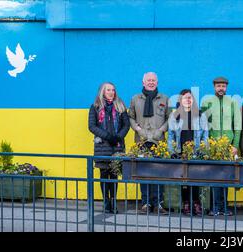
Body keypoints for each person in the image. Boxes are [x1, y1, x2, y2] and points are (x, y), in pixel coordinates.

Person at [128, 72, 170, 215]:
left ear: (157, 83)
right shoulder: (135, 99)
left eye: (153, 80)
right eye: (148, 80)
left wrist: (161, 130)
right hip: (142, 141)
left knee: (159, 173)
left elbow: (169, 118)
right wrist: (138, 129)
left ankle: (158, 203)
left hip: (159, 142)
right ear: (143, 82)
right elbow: (130, 118)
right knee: (143, 173)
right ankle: (145, 203)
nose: (151, 82)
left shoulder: (164, 98)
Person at [201, 76, 242, 216]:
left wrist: (235, 145)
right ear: (214, 87)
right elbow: (203, 124)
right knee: (214, 177)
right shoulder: (207, 101)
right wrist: (206, 144)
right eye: (218, 86)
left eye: (223, 86)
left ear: (226, 87)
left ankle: (224, 207)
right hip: (213, 145)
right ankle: (214, 207)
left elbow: (237, 125)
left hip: (228, 145)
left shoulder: (232, 102)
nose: (221, 88)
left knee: (226, 176)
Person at [88, 81, 130, 214]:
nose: (111, 92)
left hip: (117, 147)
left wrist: (118, 137)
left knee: (114, 175)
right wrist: (107, 136)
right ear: (102, 92)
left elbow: (126, 125)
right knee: (104, 175)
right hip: (102, 147)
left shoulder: (121, 106)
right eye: (108, 90)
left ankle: (114, 202)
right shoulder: (95, 107)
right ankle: (106, 202)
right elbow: (92, 126)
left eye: (113, 90)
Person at [167, 89, 209, 215]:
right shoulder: (174, 116)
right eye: (185, 98)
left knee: (195, 178)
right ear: (180, 100)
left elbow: (205, 135)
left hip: (196, 152)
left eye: (190, 97)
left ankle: (196, 202)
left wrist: (204, 151)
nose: (188, 100)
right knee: (183, 179)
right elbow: (171, 137)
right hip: (181, 152)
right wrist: (172, 152)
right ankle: (186, 202)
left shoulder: (200, 115)